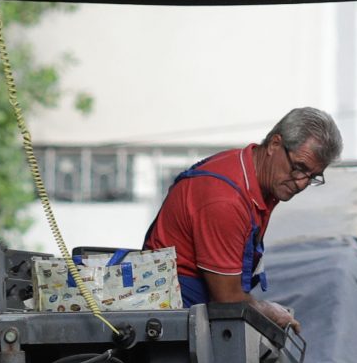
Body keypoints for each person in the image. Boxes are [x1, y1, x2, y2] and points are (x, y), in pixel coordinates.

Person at [141, 107, 342, 330]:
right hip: (174, 315)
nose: (302, 183)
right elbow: (227, 299)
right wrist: (267, 310)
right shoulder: (225, 200)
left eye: (313, 176)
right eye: (299, 168)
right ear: (275, 145)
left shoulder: (257, 176)